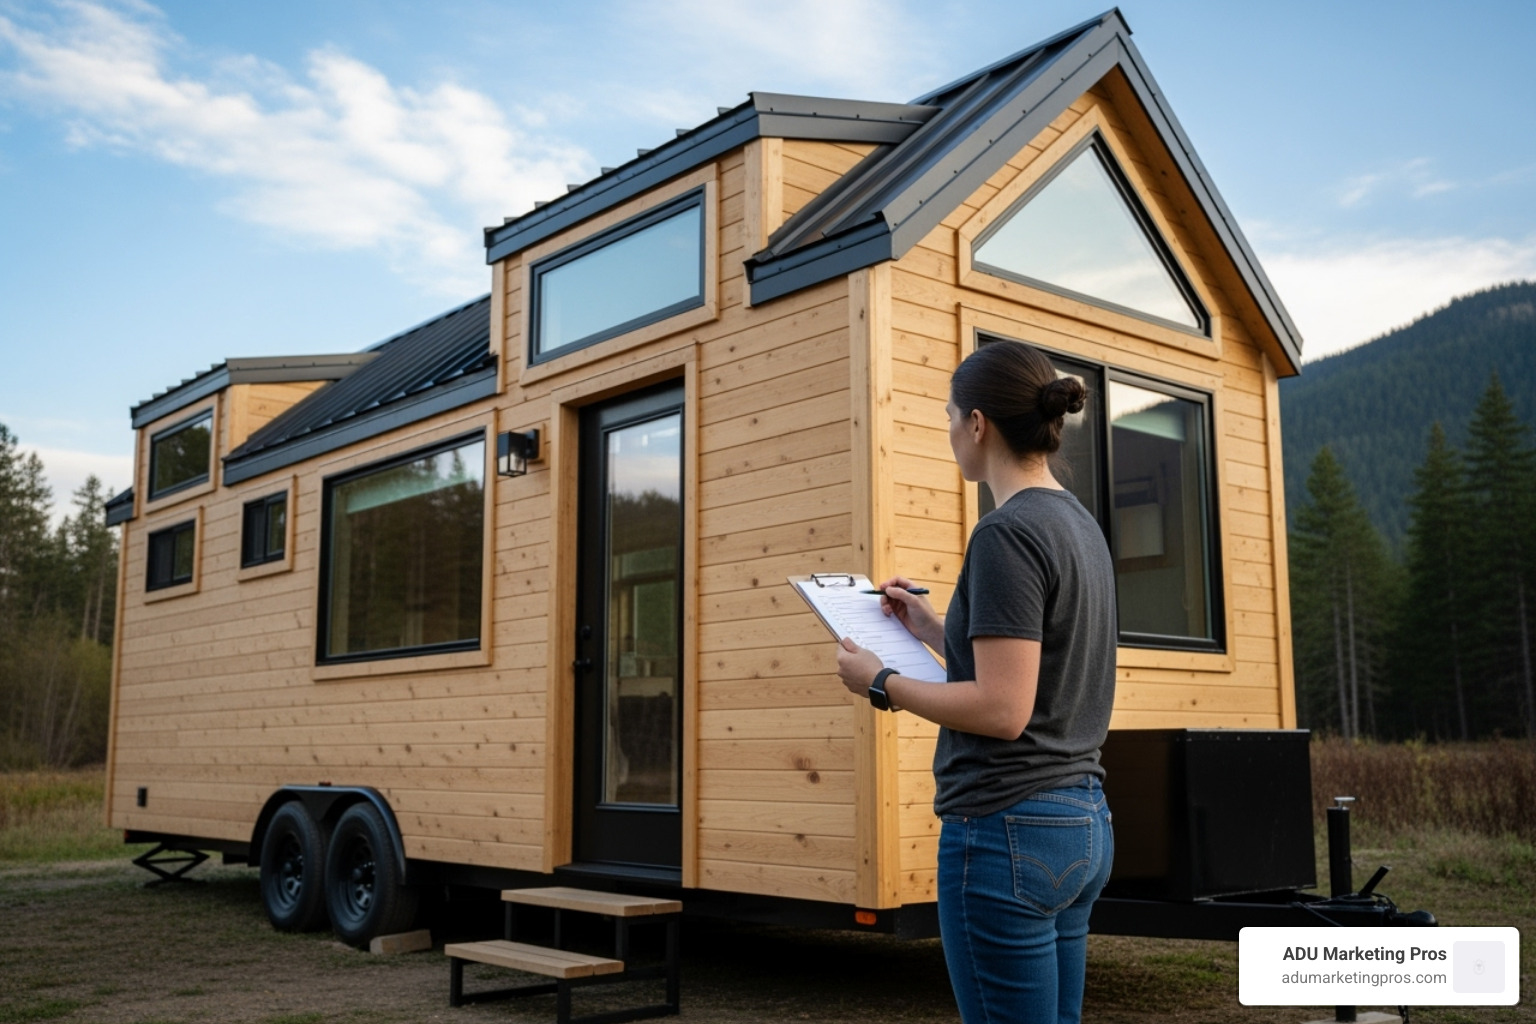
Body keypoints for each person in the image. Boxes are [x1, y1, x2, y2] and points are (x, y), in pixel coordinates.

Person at [834, 339, 1117, 1024]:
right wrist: (933, 629)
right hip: (1080, 825)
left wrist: (882, 682)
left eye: (949, 417)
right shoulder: (1077, 524)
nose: (950, 432)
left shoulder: (1005, 533)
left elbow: (1001, 708)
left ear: (978, 424)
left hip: (1006, 829)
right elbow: (1029, 666)